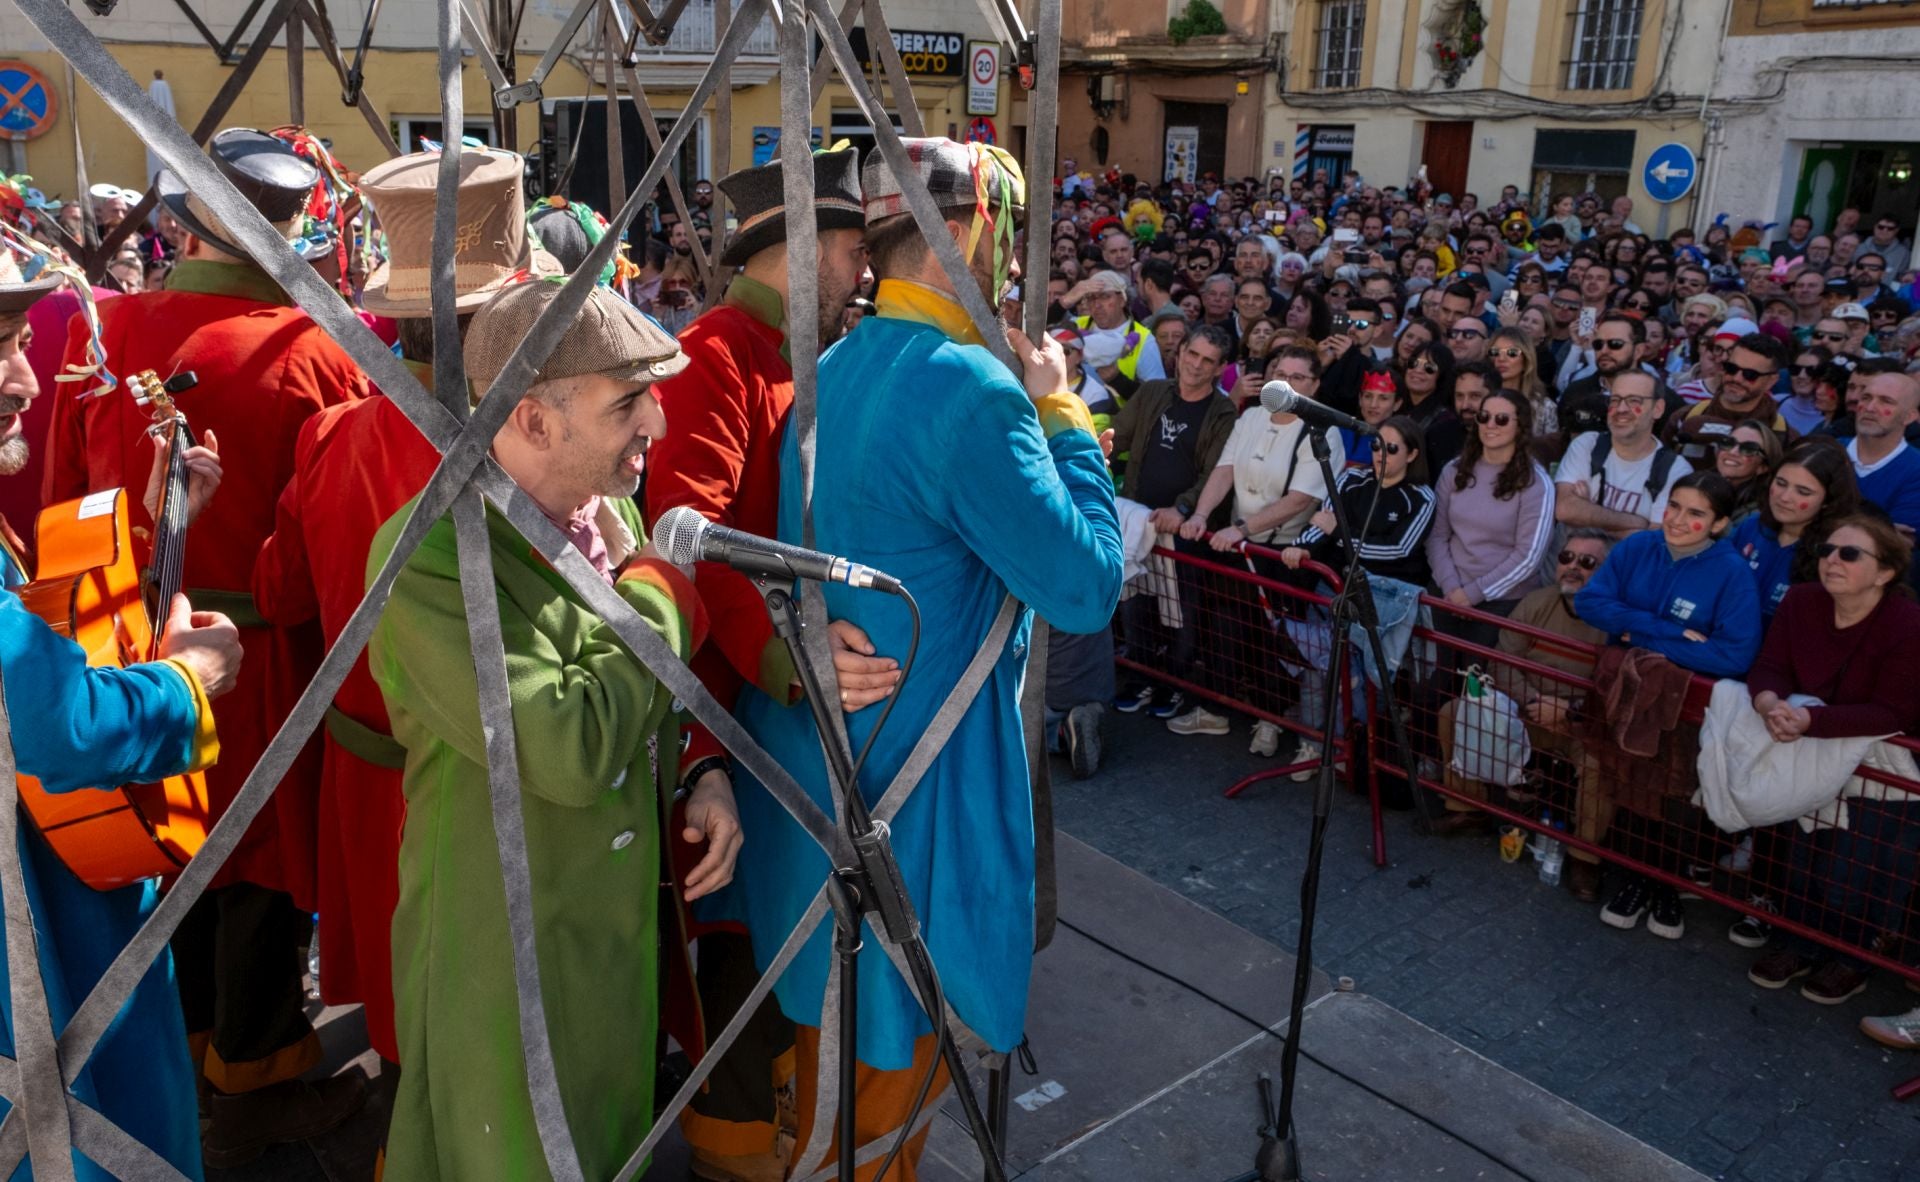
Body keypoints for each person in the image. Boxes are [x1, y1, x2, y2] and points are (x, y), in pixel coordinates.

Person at [709, 138, 1122, 1181]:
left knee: (825, 1089)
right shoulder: (977, 395)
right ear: (973, 232)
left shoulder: (830, 368)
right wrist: (1065, 415)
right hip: (907, 799)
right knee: (873, 1127)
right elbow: (1083, 585)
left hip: (820, 769)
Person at [41, 127, 370, 1155]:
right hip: (257, 648)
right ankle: (256, 1073)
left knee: (158, 845)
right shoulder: (314, 351)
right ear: (285, 227)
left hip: (114, 638)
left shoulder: (106, 331)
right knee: (255, 861)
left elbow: (59, 499)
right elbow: (340, 522)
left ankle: (178, 1054)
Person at [370, 280, 724, 1181]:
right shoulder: (428, 552)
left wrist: (696, 774)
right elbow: (565, 746)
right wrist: (660, 596)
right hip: (505, 948)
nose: (656, 427)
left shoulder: (613, 509)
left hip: (609, 936)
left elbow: (645, 701)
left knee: (610, 1147)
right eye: (627, 405)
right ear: (532, 419)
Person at [640, 151, 913, 1181]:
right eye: (849, 251)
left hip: (783, 707)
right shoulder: (718, 350)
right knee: (739, 939)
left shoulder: (805, 350)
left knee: (784, 933)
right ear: (798, 253)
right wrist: (788, 651)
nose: (863, 273)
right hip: (728, 706)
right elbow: (688, 536)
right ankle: (737, 1145)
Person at [249, 146, 543, 1079]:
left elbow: (277, 595)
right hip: (480, 791)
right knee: (487, 1038)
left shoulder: (329, 438)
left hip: (368, 777)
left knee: (405, 1019)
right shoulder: (529, 456)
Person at [0, 243, 241, 1180]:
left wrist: (155, 530)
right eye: (8, 346)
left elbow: (40, 654)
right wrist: (189, 681)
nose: (25, 379)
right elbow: (60, 725)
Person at [1573, 470, 1762, 938]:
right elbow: (1591, 602)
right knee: (1630, 787)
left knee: (1676, 800)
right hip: (1631, 701)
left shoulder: (1732, 572)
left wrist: (1636, 638)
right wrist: (1666, 630)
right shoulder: (1638, 547)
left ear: (1718, 524)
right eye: (1674, 506)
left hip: (1688, 713)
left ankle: (1666, 889)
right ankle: (1635, 881)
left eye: (1695, 513)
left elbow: (1734, 653)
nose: (1677, 519)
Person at [1742, 517, 1920, 1008]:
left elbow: (1895, 711)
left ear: (1884, 572)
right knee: (1803, 856)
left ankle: (1853, 958)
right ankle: (1797, 942)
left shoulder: (1907, 623)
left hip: (1883, 765)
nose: (1831, 560)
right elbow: (1770, 664)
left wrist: (1807, 720)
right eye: (1827, 550)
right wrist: (1768, 703)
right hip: (1810, 746)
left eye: (1849, 554)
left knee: (1855, 866)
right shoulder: (1801, 601)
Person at [1174, 346, 1348, 743]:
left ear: (1315, 385)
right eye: (1279, 373)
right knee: (1227, 625)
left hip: (1283, 555)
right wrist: (1201, 515)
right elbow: (1224, 469)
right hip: (1238, 546)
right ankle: (1218, 709)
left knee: (1277, 641)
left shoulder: (1322, 432)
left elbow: (1300, 500)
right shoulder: (1251, 415)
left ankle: (1272, 720)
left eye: (1298, 377)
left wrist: (1243, 528)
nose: (1286, 383)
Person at [1111, 325, 1239, 721]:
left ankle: (1175, 685)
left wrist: (1183, 509)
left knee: (1181, 613)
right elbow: (1118, 437)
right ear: (1180, 351)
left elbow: (1215, 471)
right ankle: (1138, 676)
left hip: (1183, 532)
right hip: (1138, 517)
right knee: (1135, 602)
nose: (1195, 366)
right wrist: (1094, 457)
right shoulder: (1152, 392)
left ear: (1220, 369)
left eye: (1207, 361)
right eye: (1191, 354)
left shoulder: (1224, 412)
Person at [1426, 390, 1557, 647]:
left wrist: (1472, 594)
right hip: (1446, 592)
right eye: (1483, 417)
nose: (1490, 425)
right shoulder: (1454, 470)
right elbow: (1437, 535)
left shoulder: (1536, 482)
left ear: (1520, 426)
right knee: (1439, 680)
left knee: (1479, 683)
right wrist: (1451, 587)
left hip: (1501, 603)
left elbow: (1529, 557)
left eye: (1501, 419)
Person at [1555, 370, 1691, 537]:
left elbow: (1652, 540)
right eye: (1615, 400)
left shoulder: (1675, 470)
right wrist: (1638, 523)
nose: (1621, 409)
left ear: (1658, 409)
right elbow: (1565, 509)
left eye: (1634, 401)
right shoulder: (1588, 444)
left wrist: (1587, 514)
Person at [1665, 331, 1789, 465]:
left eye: (1750, 374)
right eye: (1731, 368)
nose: (1737, 379)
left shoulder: (1781, 434)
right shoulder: (1685, 417)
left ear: (1771, 381)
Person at [1846, 371, 1920, 555]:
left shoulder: (1916, 470)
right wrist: (1879, 528)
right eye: (1866, 397)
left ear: (1909, 417)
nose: (1870, 407)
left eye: (1886, 401)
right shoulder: (1826, 450)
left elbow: (1893, 547)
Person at [1067, 268, 1165, 399]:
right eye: (1091, 298)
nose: (1097, 305)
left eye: (1105, 296)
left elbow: (1157, 397)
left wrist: (1117, 380)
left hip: (1118, 417)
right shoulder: (1075, 325)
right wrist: (1065, 300)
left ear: (1122, 300)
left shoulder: (1144, 340)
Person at [1713, 419, 1784, 522]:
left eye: (1749, 449)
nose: (1733, 452)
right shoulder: (1700, 485)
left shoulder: (1759, 512)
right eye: (1728, 443)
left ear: (1763, 467)